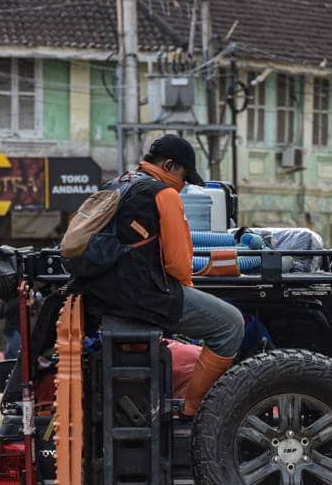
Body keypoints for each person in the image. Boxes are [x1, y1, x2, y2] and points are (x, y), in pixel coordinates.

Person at [77, 135, 244, 416]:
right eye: (184, 178)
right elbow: (179, 265)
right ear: (169, 165)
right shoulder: (163, 194)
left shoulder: (119, 183)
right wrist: (188, 295)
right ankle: (192, 410)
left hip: (103, 293)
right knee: (231, 325)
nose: (183, 186)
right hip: (141, 296)